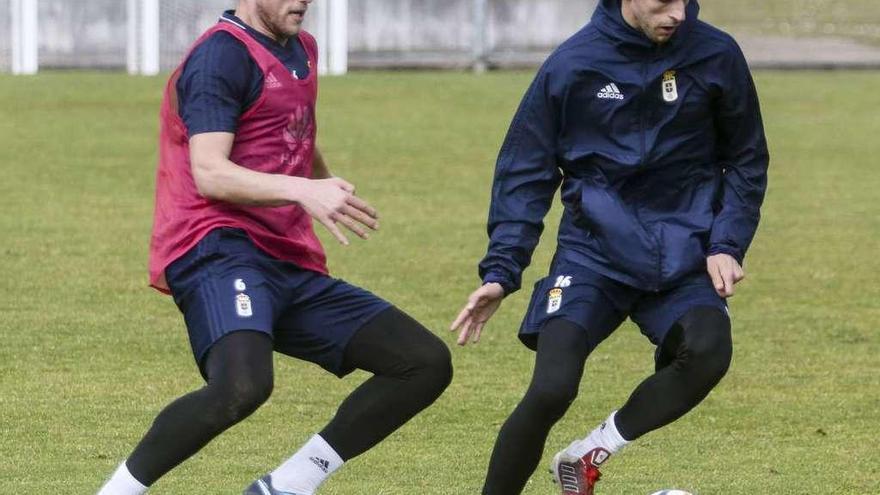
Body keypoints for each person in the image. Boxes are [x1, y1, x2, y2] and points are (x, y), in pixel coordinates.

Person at [97, 1, 452, 494]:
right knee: (241, 386)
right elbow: (210, 171)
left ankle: (288, 486)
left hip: (285, 256)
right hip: (215, 246)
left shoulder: (301, 47)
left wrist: (324, 183)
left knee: (422, 362)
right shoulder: (221, 57)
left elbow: (291, 124)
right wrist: (305, 191)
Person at [451, 0, 768, 493]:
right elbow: (526, 171)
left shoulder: (716, 55)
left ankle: (589, 453)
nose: (678, 13)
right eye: (662, 1)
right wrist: (501, 269)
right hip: (593, 254)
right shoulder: (572, 65)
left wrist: (726, 242)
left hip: (682, 254)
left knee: (708, 352)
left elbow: (747, 160)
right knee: (552, 388)